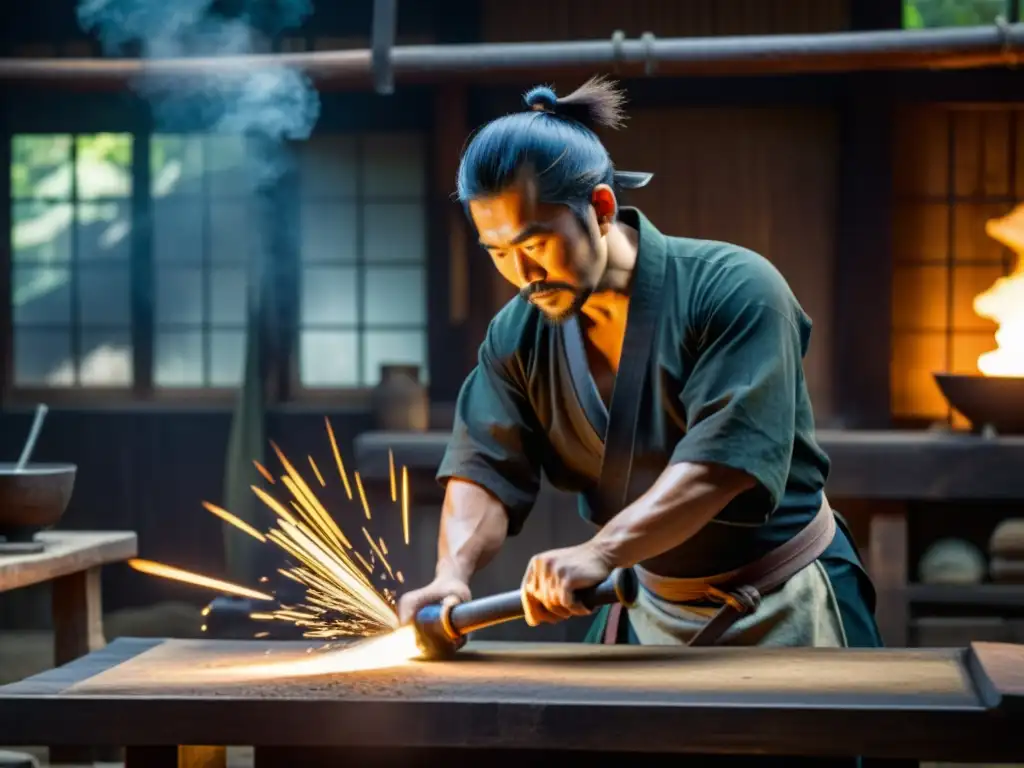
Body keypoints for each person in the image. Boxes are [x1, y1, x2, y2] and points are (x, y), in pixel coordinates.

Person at [397, 76, 881, 656]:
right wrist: (452, 572)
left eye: (534, 245)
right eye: (498, 253)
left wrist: (599, 553)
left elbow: (721, 465)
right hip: (647, 607)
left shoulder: (737, 289)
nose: (522, 275)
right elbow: (485, 466)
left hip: (785, 597)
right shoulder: (518, 333)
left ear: (600, 208)